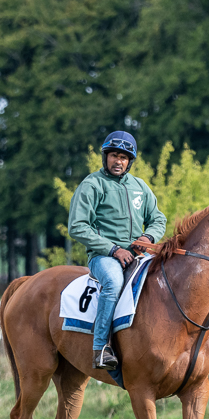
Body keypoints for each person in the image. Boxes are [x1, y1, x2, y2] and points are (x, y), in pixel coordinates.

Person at [68, 131, 167, 370]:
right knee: (113, 282)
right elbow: (77, 226)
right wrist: (113, 250)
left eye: (124, 157)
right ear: (106, 157)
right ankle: (101, 348)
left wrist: (148, 236)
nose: (118, 161)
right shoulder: (93, 184)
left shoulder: (140, 186)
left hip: (139, 254)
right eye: (114, 155)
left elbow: (158, 218)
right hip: (103, 257)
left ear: (129, 161)